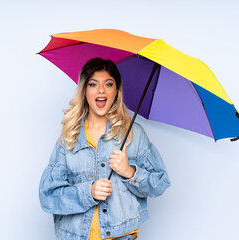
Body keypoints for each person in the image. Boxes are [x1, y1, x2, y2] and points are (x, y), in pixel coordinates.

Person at [39, 58, 171, 240]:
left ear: (116, 91)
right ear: (84, 91)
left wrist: (130, 172)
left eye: (108, 84)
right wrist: (88, 192)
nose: (101, 90)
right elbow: (48, 196)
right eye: (93, 84)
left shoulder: (133, 134)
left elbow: (160, 183)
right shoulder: (69, 137)